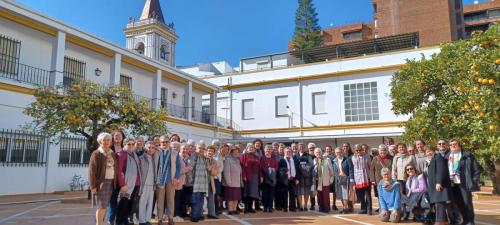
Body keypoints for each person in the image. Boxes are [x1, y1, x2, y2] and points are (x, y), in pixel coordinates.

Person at [445, 139, 480, 225]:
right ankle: (460, 221)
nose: (453, 146)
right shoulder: (447, 156)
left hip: (464, 183)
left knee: (467, 203)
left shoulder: (467, 155)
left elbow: (475, 169)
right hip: (452, 184)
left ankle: (470, 221)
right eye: (451, 145)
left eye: (454, 144)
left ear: (459, 145)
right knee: (455, 203)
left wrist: (473, 181)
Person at [89, 132, 117, 225]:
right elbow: (91, 171)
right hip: (101, 183)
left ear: (111, 141)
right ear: (100, 141)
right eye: (104, 140)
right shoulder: (96, 153)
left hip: (111, 182)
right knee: (101, 207)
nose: (106, 141)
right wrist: (92, 186)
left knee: (105, 206)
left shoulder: (112, 153)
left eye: (108, 140)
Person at [116, 137, 142, 225]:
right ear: (124, 144)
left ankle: (125, 219)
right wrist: (123, 185)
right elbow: (119, 171)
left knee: (130, 204)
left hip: (136, 183)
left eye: (132, 144)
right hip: (126, 184)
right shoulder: (122, 154)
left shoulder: (134, 154)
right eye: (128, 144)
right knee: (123, 204)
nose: (131, 146)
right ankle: (119, 221)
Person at [156, 138, 181, 225]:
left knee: (170, 200)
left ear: (169, 142)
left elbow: (178, 166)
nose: (164, 143)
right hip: (160, 180)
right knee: (160, 199)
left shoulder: (174, 152)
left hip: (171, 180)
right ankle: (159, 218)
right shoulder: (157, 151)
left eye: (166, 142)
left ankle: (170, 218)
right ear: (160, 142)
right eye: (163, 142)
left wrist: (176, 177)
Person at [425, 145, 452, 225]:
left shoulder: (438, 157)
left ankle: (439, 222)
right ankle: (445, 221)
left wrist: (439, 182)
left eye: (430, 151)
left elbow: (441, 170)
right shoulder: (432, 159)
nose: (428, 153)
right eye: (427, 152)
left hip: (439, 185)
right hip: (433, 186)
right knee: (438, 204)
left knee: (439, 203)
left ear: (434, 151)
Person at [138, 141, 158, 225]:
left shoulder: (154, 158)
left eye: (153, 147)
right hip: (144, 184)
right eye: (149, 147)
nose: (151, 149)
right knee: (142, 203)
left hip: (151, 184)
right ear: (146, 148)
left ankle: (147, 220)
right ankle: (142, 221)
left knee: (150, 204)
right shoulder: (142, 158)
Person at [189, 141, 210, 222]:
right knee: (195, 200)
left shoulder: (205, 157)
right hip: (196, 182)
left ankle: (199, 214)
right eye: (200, 148)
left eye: (203, 148)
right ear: (196, 148)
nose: (201, 149)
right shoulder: (194, 155)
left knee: (201, 200)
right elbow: (190, 168)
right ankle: (194, 216)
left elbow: (208, 169)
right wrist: (190, 180)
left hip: (203, 183)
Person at [350, 144, 373, 215]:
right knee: (361, 195)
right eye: (356, 150)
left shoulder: (367, 156)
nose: (358, 151)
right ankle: (363, 209)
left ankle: (369, 209)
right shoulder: (353, 157)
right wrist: (353, 180)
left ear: (362, 149)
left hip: (366, 177)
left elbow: (370, 167)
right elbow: (354, 168)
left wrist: (371, 177)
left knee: (368, 195)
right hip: (358, 179)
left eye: (359, 150)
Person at [108, 130, 125, 224]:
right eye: (116, 136)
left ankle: (120, 219)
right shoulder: (109, 148)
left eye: (119, 135)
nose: (117, 137)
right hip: (112, 179)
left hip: (123, 179)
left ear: (122, 137)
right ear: (113, 137)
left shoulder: (125, 148)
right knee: (112, 199)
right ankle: (111, 219)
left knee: (123, 200)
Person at [370, 144, 393, 212]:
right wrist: (372, 179)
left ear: (387, 151)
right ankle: (382, 210)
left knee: (389, 194)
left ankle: (389, 209)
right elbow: (372, 169)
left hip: (389, 180)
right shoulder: (375, 158)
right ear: (379, 151)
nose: (383, 152)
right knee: (380, 196)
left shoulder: (391, 157)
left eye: (384, 150)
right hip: (379, 180)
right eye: (381, 151)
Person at [240, 144, 261, 213]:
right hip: (247, 176)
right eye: (250, 148)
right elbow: (242, 167)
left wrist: (261, 176)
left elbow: (259, 168)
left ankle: (250, 207)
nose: (251, 149)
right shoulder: (244, 156)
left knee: (253, 193)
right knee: (246, 192)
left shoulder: (256, 157)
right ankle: (246, 207)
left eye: (252, 148)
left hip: (255, 177)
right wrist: (244, 176)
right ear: (247, 149)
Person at [173, 144, 191, 222]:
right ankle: (175, 216)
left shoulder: (185, 158)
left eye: (186, 149)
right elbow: (178, 171)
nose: (185, 150)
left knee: (179, 200)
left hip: (181, 184)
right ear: (180, 149)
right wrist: (188, 169)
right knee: (175, 201)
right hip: (176, 183)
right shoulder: (178, 158)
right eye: (184, 149)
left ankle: (177, 215)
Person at [312, 147, 334, 213]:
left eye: (319, 152)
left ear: (321, 152)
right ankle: (321, 207)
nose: (318, 153)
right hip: (318, 181)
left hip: (325, 180)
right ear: (314, 154)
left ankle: (326, 208)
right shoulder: (314, 160)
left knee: (325, 195)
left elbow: (331, 170)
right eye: (316, 152)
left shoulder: (327, 159)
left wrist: (331, 179)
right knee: (319, 196)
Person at [332, 147, 352, 214]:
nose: (339, 154)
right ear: (335, 153)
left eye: (340, 152)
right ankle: (344, 207)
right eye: (337, 152)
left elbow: (351, 170)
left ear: (342, 152)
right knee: (340, 194)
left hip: (345, 178)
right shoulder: (334, 161)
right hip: (338, 179)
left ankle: (345, 208)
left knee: (345, 194)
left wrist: (350, 178)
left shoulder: (347, 159)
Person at [223, 147, 243, 215]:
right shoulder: (227, 160)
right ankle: (230, 210)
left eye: (237, 152)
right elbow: (226, 172)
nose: (236, 153)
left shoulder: (238, 161)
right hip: (230, 182)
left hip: (237, 182)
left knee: (236, 197)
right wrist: (228, 182)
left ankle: (234, 210)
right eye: (234, 152)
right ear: (231, 153)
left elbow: (240, 172)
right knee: (230, 198)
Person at [260, 144, 278, 212]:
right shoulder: (262, 158)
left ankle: (270, 207)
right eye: (267, 149)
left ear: (271, 150)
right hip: (265, 178)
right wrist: (267, 172)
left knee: (271, 193)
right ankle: (265, 206)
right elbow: (261, 167)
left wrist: (272, 171)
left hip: (272, 178)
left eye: (270, 149)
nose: (268, 150)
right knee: (265, 193)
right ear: (264, 150)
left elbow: (276, 166)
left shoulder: (274, 158)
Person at [295, 143, 313, 211]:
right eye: (300, 147)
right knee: (299, 192)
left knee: (306, 192)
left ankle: (305, 205)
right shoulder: (295, 155)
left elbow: (311, 165)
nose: (301, 148)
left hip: (306, 177)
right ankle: (301, 206)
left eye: (302, 146)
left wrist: (303, 167)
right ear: (298, 148)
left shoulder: (308, 155)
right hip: (299, 177)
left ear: (304, 148)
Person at [205, 146, 220, 219]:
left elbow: (215, 173)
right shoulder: (203, 159)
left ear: (214, 153)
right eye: (209, 151)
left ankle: (211, 214)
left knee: (211, 198)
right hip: (201, 182)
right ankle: (198, 213)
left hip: (211, 182)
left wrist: (211, 169)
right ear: (206, 151)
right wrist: (210, 168)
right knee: (200, 198)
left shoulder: (214, 161)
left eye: (212, 151)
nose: (210, 152)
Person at [215, 144, 229, 215]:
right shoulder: (217, 156)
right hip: (217, 177)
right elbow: (217, 167)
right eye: (223, 149)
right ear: (220, 149)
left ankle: (220, 207)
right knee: (217, 193)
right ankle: (217, 208)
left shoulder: (225, 157)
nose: (225, 151)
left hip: (223, 178)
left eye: (226, 150)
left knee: (221, 193)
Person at [283, 147, 299, 212]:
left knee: (292, 194)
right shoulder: (282, 160)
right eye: (287, 152)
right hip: (285, 180)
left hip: (292, 179)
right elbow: (281, 170)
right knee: (285, 194)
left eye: (289, 152)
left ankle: (292, 207)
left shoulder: (294, 160)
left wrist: (297, 178)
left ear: (291, 153)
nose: (288, 153)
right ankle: (285, 207)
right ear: (285, 153)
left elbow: (297, 170)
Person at [324, 145, 337, 211]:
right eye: (327, 149)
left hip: (333, 176)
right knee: (326, 191)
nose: (328, 151)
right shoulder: (323, 157)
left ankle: (334, 204)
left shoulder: (335, 157)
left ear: (331, 150)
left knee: (334, 191)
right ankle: (327, 204)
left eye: (329, 149)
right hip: (326, 177)